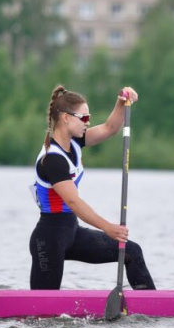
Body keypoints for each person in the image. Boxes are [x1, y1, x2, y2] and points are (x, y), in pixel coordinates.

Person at [29, 84, 156, 290]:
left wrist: (121, 101)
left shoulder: (76, 142)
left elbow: (110, 128)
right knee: (42, 313)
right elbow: (73, 201)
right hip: (49, 239)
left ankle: (151, 310)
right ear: (66, 117)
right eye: (84, 118)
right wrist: (108, 227)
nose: (88, 123)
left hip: (73, 232)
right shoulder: (52, 159)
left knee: (131, 252)